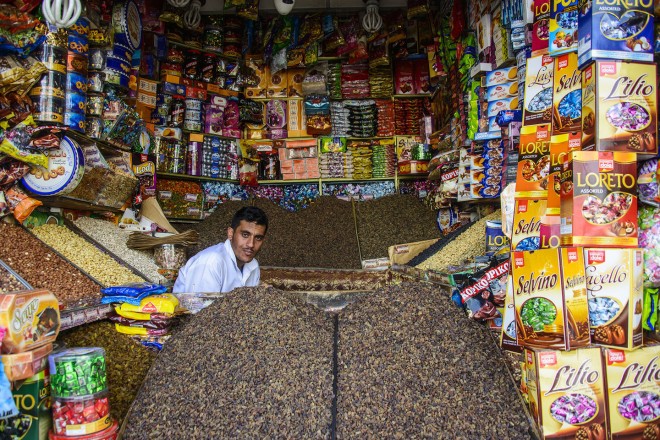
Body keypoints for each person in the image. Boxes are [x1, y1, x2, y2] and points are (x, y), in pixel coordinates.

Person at [172, 206, 268, 293]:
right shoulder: (212, 262)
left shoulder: (253, 266)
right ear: (230, 233)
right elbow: (200, 309)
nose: (251, 244)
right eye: (245, 235)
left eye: (258, 238)